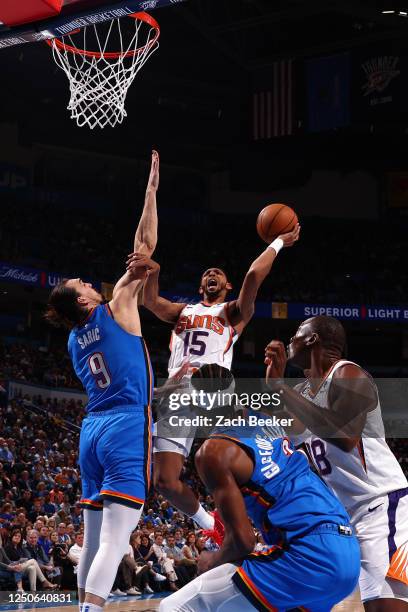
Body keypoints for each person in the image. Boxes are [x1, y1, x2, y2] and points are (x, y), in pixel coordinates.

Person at [126, 224, 300, 536]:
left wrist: (278, 242)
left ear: (227, 285)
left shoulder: (232, 312)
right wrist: (153, 271)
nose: (211, 275)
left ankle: (279, 518)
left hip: (213, 390)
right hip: (178, 393)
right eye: (207, 272)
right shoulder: (183, 310)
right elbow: (150, 301)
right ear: (200, 284)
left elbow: (253, 277)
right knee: (164, 481)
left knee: (246, 459)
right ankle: (212, 524)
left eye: (217, 273)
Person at [44, 150, 160, 612]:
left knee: (92, 540)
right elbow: (145, 248)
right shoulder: (116, 309)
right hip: (125, 424)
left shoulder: (74, 341)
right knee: (117, 537)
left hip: (91, 431)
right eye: (83, 283)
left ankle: (81, 608)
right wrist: (151, 192)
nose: (90, 281)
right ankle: (93, 609)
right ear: (85, 300)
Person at [160, 363, 360, 612]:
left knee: (173, 607)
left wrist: (212, 559)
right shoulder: (265, 418)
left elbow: (242, 542)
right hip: (346, 547)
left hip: (306, 553)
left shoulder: (213, 452)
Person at [264, 315, 408, 611]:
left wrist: (280, 387)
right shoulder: (304, 392)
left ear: (313, 339)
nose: (291, 340)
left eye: (296, 333)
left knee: (385, 606)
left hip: (380, 506)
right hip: (340, 516)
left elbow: (344, 436)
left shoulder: (348, 374)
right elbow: (287, 431)